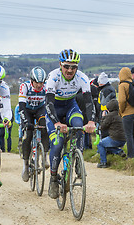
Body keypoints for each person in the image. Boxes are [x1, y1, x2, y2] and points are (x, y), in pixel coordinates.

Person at [45, 49, 96, 199]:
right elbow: (48, 103)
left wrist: (91, 121)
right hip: (54, 109)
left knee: (79, 124)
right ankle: (53, 178)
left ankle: (77, 160)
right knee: (58, 142)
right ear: (60, 64)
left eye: (73, 67)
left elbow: (88, 103)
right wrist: (56, 122)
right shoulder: (53, 77)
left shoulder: (82, 78)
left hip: (70, 106)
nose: (69, 70)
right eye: (66, 66)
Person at [19, 67, 49, 182]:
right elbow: (21, 107)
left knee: (44, 127)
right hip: (27, 111)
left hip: (39, 110)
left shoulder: (45, 88)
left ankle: (44, 156)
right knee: (28, 135)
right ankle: (26, 165)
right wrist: (26, 122)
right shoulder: (24, 87)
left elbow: (49, 104)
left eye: (41, 82)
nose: (39, 85)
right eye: (37, 82)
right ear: (32, 81)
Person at [118, 67, 134, 158]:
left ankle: (130, 156)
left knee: (129, 135)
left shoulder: (122, 85)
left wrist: (121, 111)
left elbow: (122, 100)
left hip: (127, 113)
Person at [97, 99, 126, 168]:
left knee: (100, 144)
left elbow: (103, 127)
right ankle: (119, 152)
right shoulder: (120, 114)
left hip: (115, 139)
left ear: (109, 108)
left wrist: (103, 117)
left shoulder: (110, 116)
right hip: (123, 139)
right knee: (106, 145)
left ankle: (103, 162)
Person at [97, 72, 116, 138]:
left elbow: (104, 103)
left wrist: (104, 112)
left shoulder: (105, 90)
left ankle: (105, 143)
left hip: (105, 112)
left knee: (104, 129)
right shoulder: (110, 88)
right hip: (112, 111)